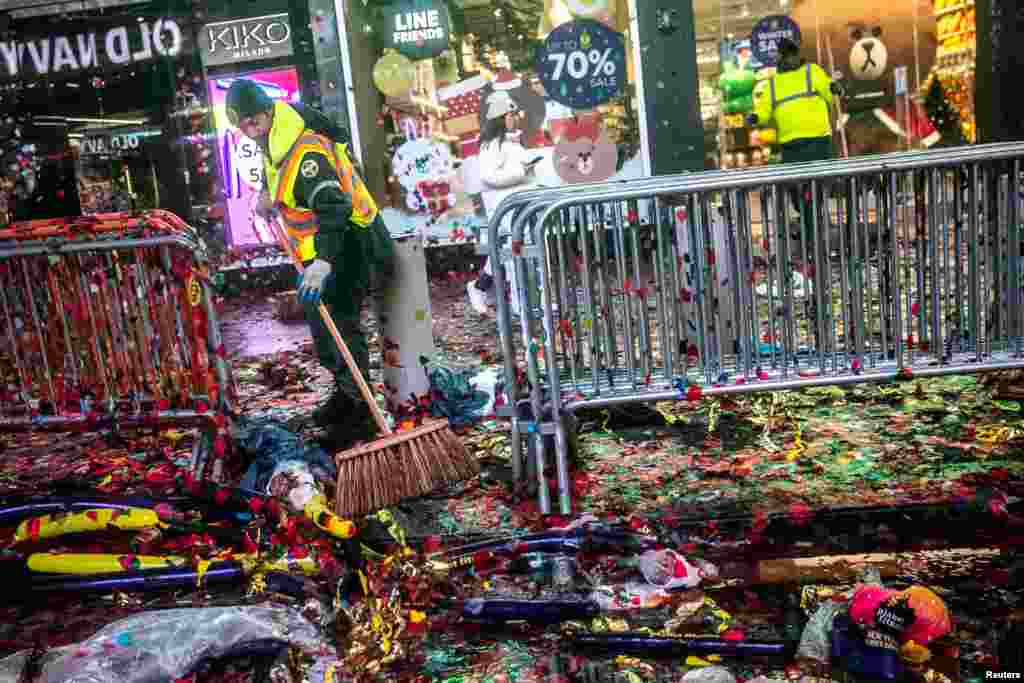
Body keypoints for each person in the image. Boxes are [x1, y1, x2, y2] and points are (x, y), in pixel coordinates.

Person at [225, 79, 394, 448]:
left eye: (254, 122)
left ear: (268, 112)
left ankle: (360, 413)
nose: (250, 132)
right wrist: (269, 196)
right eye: (244, 127)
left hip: (349, 242)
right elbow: (281, 180)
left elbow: (334, 207)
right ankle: (343, 393)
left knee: (342, 326)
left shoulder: (305, 154)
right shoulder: (274, 139)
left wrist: (323, 264)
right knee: (321, 323)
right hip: (322, 248)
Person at [749, 38, 843, 239]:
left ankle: (813, 229)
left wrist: (834, 89)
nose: (791, 59)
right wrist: (756, 117)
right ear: (781, 58)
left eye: (793, 55)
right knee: (796, 190)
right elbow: (764, 108)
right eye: (787, 55)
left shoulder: (812, 71)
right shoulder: (773, 83)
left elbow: (827, 88)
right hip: (791, 146)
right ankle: (809, 221)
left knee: (815, 189)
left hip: (817, 141)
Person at [466, 89, 537, 316]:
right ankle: (518, 301)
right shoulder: (491, 145)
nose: (514, 118)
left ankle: (487, 290)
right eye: (510, 114)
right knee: (512, 252)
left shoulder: (506, 142)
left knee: (508, 253)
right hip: (506, 209)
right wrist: (522, 171)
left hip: (514, 207)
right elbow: (489, 176)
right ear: (500, 117)